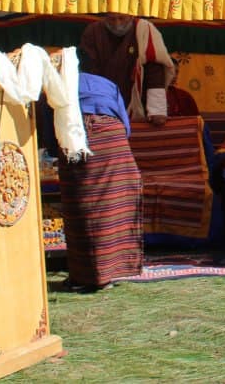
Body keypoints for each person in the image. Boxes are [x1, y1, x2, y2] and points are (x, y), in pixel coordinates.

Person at [57, 72, 144, 291]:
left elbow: (51, 129)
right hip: (112, 135)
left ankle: (88, 276)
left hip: (76, 134)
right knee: (115, 204)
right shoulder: (107, 83)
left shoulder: (57, 83)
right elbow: (125, 126)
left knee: (81, 204)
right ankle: (114, 271)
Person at [78, 12, 174, 125]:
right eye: (111, 19)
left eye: (121, 18)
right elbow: (89, 70)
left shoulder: (144, 30)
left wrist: (157, 110)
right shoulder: (93, 31)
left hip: (136, 102)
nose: (117, 24)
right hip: (102, 97)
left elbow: (154, 72)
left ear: (131, 15)